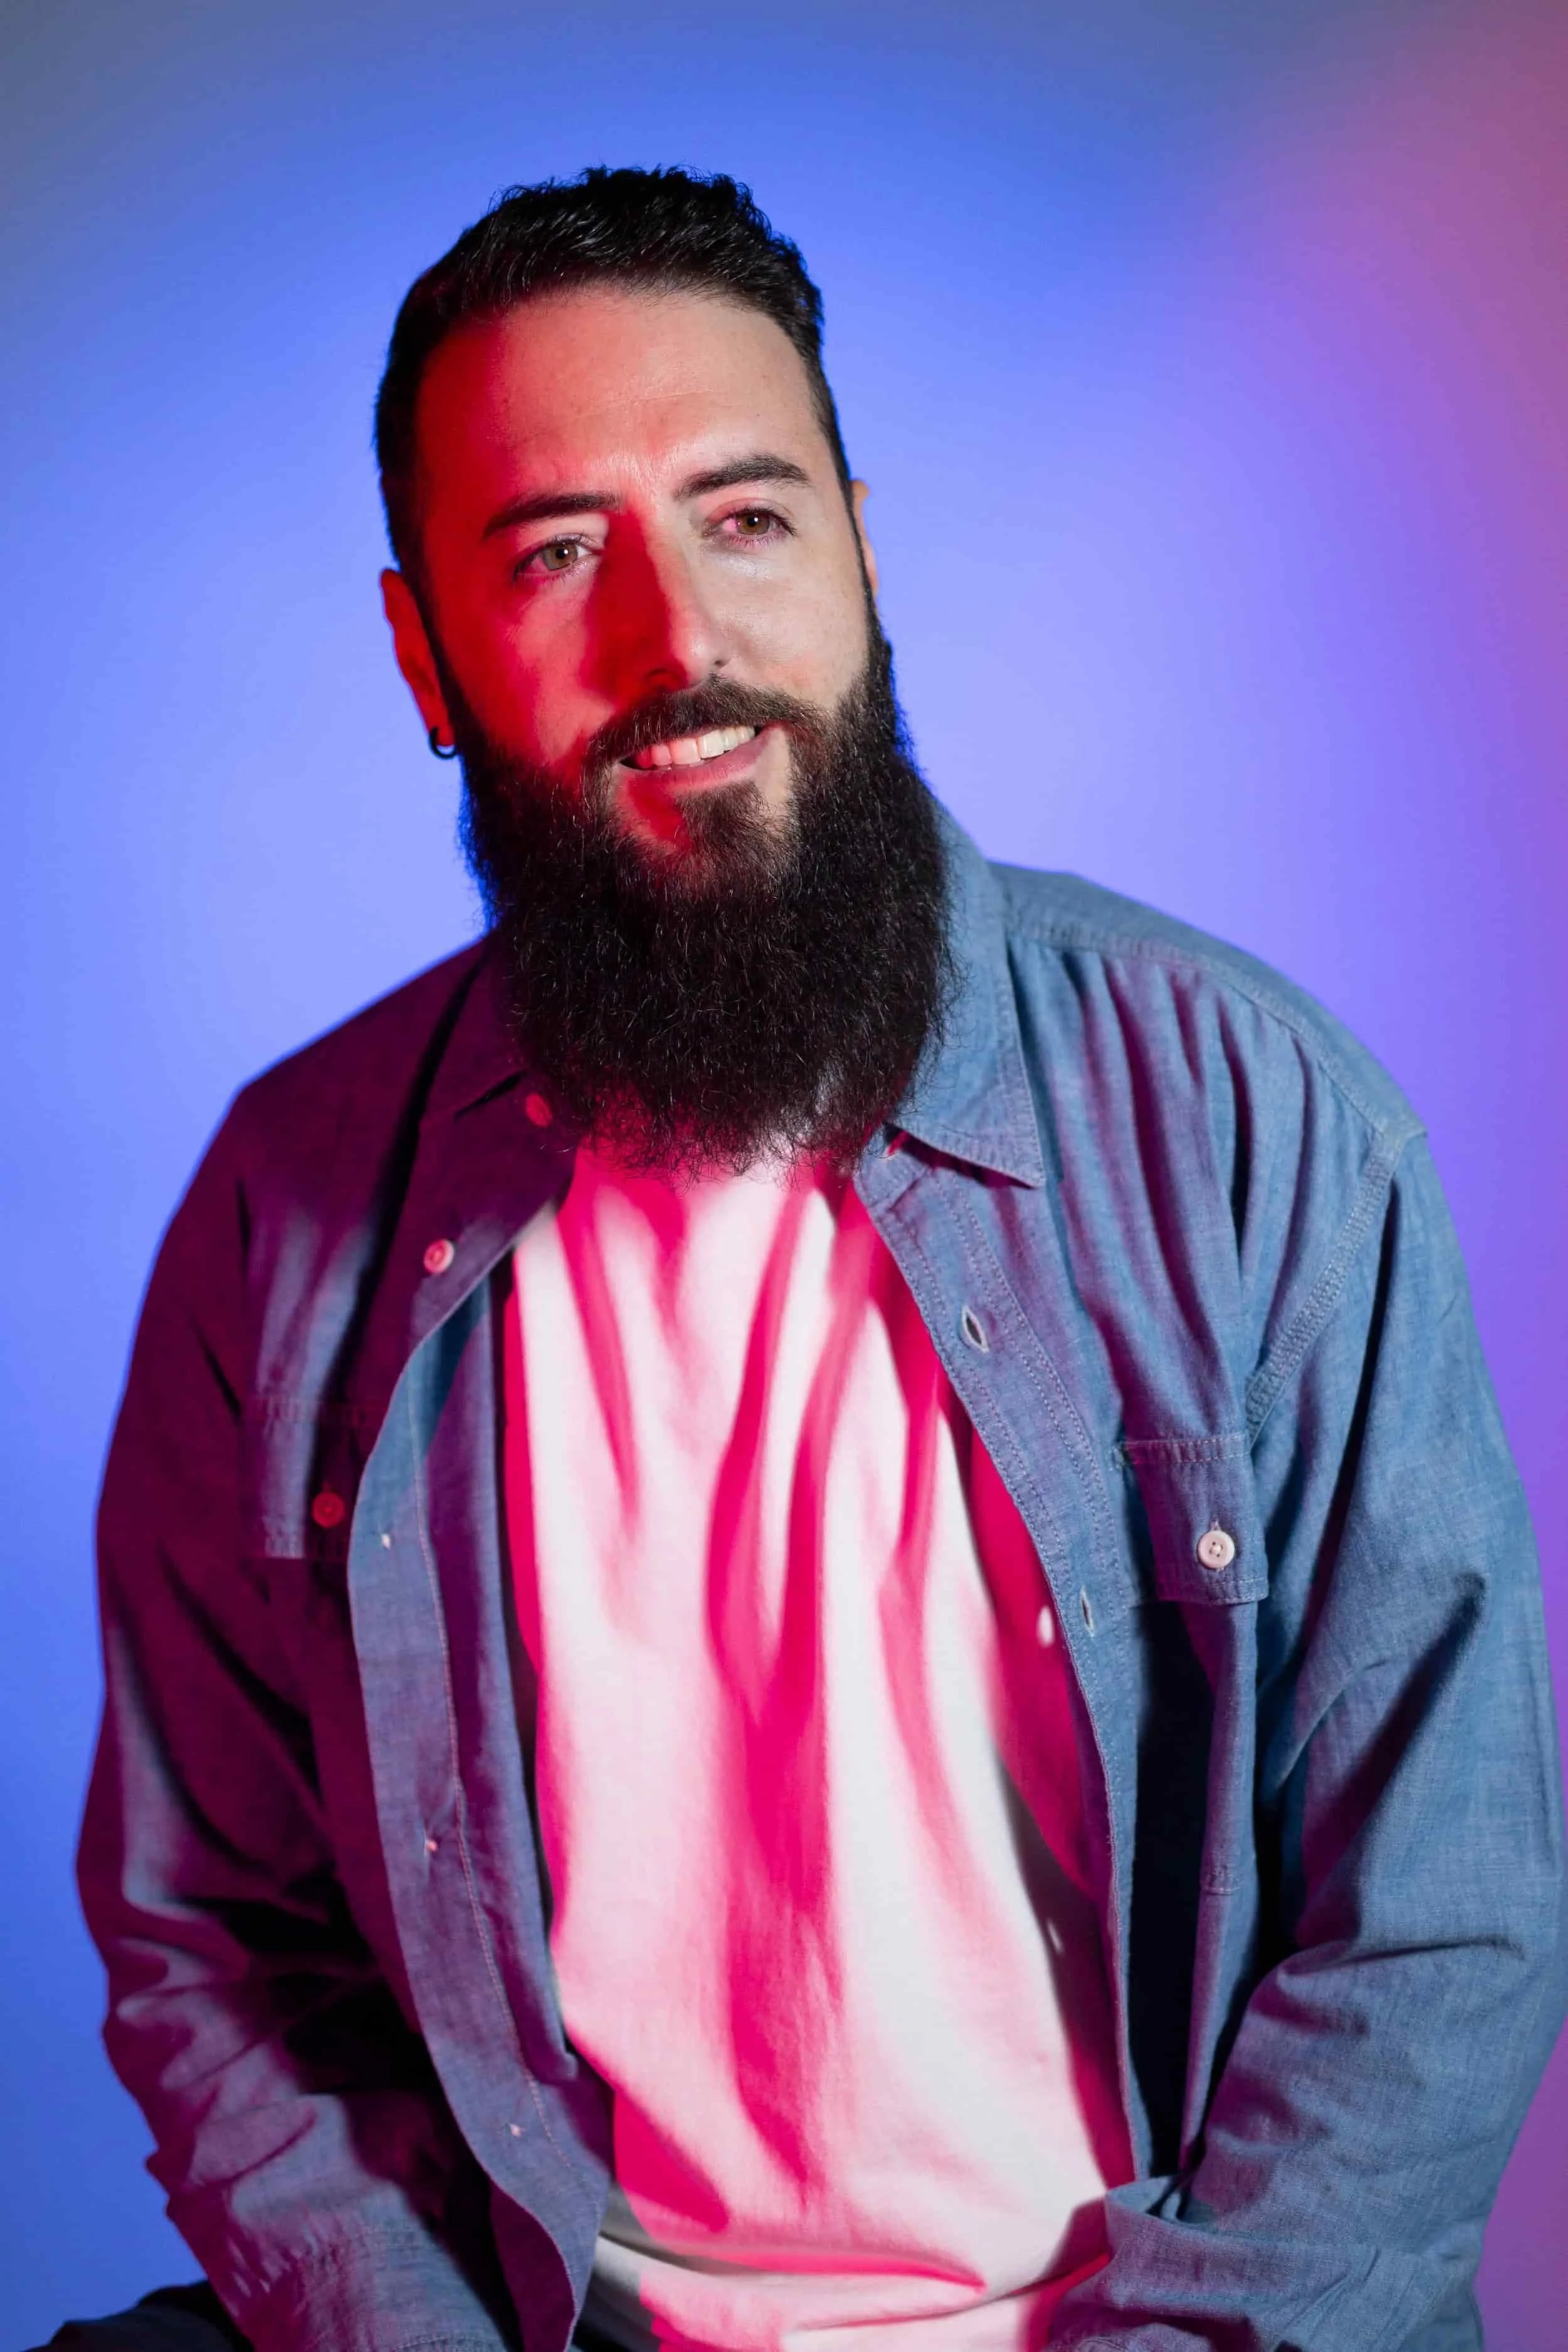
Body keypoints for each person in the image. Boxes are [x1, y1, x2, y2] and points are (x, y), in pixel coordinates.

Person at [54, 167, 1564, 2352]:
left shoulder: (1248, 1119)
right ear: (422, 654)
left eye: (744, 518)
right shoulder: (293, 1204)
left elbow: (1437, 1925)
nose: (679, 646)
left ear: (860, 547)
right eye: (558, 552)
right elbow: (214, 1947)